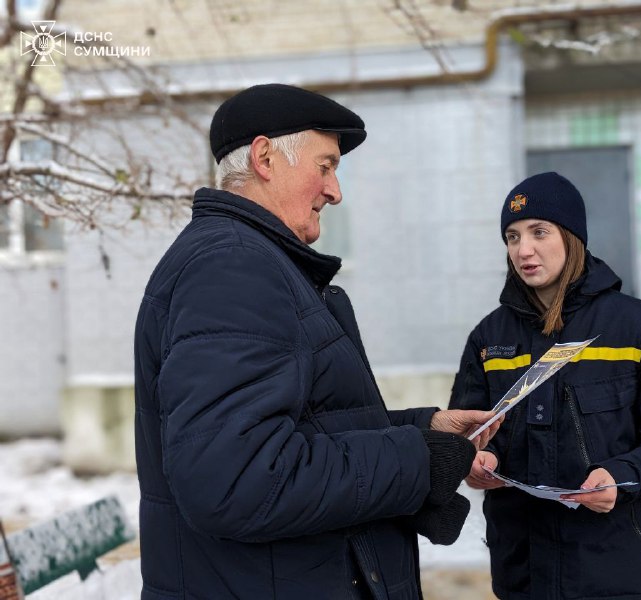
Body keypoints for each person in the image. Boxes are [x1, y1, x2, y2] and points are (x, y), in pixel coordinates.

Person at [134, 83, 501, 600]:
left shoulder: (251, 260)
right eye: (325, 166)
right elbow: (235, 480)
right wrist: (419, 458)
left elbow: (301, 426)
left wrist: (426, 428)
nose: (335, 191)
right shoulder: (233, 267)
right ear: (265, 158)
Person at [448, 172, 641, 600]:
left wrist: (622, 476)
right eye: (512, 237)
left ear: (571, 237)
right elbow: (468, 436)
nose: (523, 250)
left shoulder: (634, 326)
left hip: (617, 575)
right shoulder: (488, 339)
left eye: (539, 232)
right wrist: (477, 462)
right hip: (523, 576)